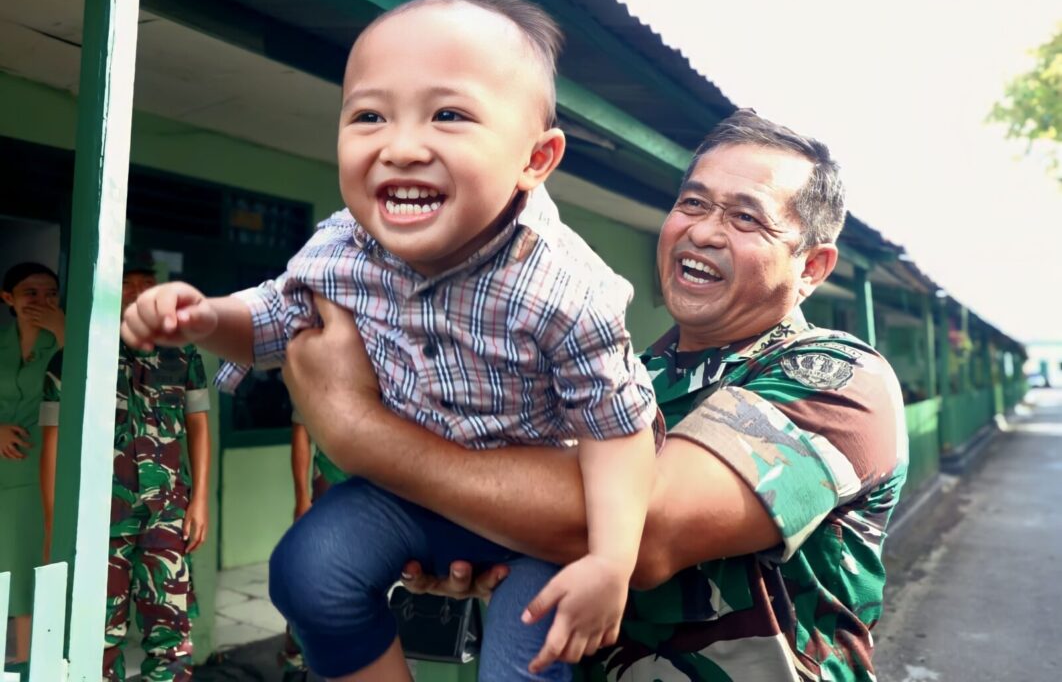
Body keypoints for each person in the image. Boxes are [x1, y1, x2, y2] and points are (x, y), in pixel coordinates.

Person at [119, 0, 659, 682]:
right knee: (307, 572)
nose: (401, 147)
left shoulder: (565, 288)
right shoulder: (340, 249)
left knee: (530, 651)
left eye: (449, 115)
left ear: (536, 159)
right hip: (402, 501)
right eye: (369, 116)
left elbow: (617, 426)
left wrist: (611, 562)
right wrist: (204, 317)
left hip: (534, 511)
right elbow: (274, 323)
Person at [280, 110, 909, 682]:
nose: (705, 232)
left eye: (746, 217)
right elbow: (528, 497)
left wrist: (358, 431)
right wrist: (474, 536)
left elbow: (645, 529)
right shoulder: (630, 372)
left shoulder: (839, 380)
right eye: (693, 204)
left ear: (813, 268)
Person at [39, 250, 211, 682]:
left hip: (168, 511)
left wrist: (201, 500)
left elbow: (198, 427)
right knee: (96, 635)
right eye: (126, 283)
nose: (136, 292)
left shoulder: (183, 352)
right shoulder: (74, 357)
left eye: (145, 283)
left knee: (171, 631)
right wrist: (54, 523)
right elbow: (53, 445)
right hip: (100, 517)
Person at [0, 262, 63, 671]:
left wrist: (64, 329)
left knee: (25, 573)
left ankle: (26, 666)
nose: (41, 302)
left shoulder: (63, 345)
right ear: (8, 299)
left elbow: (91, 382)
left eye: (50, 294)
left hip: (39, 474)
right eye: (30, 293)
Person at [278, 408, 348, 682]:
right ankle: (296, 662)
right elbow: (301, 430)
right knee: (308, 579)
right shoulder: (318, 365)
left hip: (374, 492)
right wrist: (302, 498)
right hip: (328, 489)